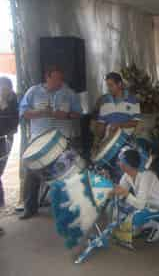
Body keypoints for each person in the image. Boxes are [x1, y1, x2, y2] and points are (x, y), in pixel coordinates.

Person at [19, 65, 82, 219]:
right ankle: (30, 208)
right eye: (56, 79)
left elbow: (78, 113)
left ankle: (70, 208)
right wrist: (40, 112)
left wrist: (66, 115)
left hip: (63, 140)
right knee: (32, 173)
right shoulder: (33, 92)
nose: (59, 82)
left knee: (68, 173)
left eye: (61, 79)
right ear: (47, 77)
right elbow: (23, 113)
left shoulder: (69, 93)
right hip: (38, 142)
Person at [110, 148, 159, 245]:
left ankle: (156, 223)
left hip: (158, 207)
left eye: (120, 161)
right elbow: (119, 194)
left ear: (128, 165)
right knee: (117, 207)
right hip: (145, 205)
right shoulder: (127, 175)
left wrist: (125, 193)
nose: (118, 163)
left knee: (133, 219)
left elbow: (140, 204)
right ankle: (147, 226)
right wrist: (110, 185)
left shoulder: (146, 176)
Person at [94, 72, 141, 148]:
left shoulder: (133, 100)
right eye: (107, 86)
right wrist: (96, 143)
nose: (109, 89)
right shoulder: (104, 102)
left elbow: (135, 122)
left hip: (126, 140)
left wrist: (119, 125)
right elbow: (101, 124)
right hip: (108, 140)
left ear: (119, 84)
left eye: (111, 85)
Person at [0, 77, 18, 235]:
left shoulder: (12, 101)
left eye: (6, 89)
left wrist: (4, 105)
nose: (4, 91)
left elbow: (13, 125)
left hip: (3, 142)